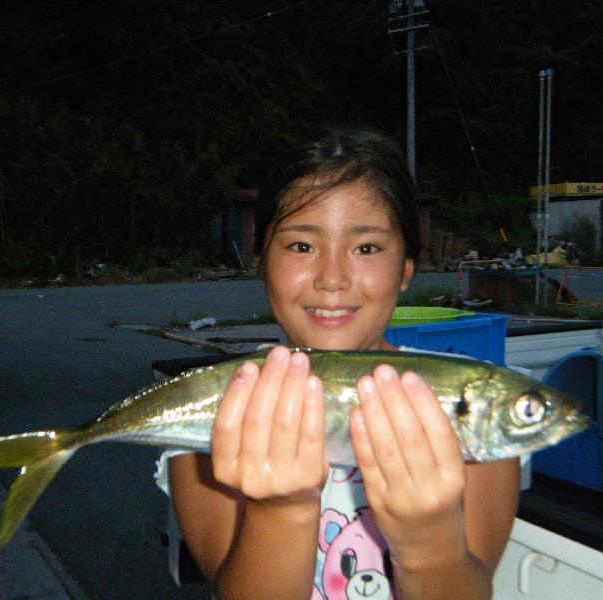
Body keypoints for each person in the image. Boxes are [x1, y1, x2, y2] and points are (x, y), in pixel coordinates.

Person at [156, 127, 520, 599]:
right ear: (261, 259)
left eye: (366, 248)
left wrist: (430, 544)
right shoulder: (210, 413)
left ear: (407, 266)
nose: (332, 279)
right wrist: (279, 509)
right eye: (301, 246)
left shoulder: (465, 407)